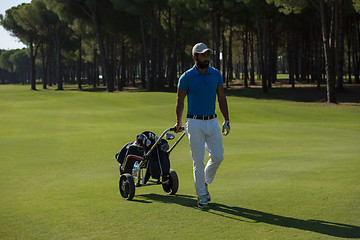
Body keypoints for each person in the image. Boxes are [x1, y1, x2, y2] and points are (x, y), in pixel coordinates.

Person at [174, 42, 230, 208]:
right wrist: (179, 121)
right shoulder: (186, 77)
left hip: (212, 121)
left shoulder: (215, 74)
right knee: (198, 161)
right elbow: (180, 100)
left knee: (218, 156)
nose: (206, 58)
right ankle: (201, 196)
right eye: (203, 55)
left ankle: (203, 183)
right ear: (195, 57)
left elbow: (221, 97)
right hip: (194, 122)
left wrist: (226, 119)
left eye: (208, 55)